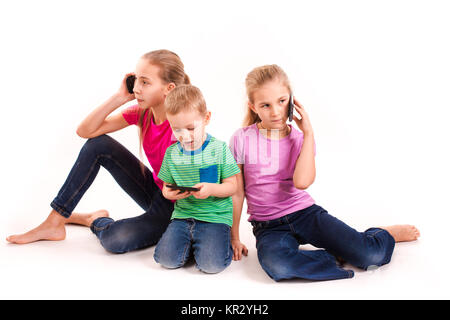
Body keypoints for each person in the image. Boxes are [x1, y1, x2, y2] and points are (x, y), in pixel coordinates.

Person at [229, 64, 421, 281]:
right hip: (269, 226)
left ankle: (378, 235)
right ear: (253, 107)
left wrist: (308, 133)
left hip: (305, 214)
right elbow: (237, 192)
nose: (275, 111)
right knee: (279, 267)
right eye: (265, 105)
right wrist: (234, 236)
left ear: (291, 99)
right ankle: (339, 253)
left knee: (370, 255)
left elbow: (302, 182)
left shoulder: (301, 139)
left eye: (282, 101)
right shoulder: (241, 138)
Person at [7, 49, 190, 254]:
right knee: (98, 145)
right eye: (136, 80)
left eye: (145, 82)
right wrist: (119, 97)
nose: (137, 89)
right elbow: (86, 131)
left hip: (180, 207)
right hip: (157, 191)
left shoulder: (185, 125)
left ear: (169, 88)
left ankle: (94, 219)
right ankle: (55, 221)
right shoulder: (143, 113)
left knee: (115, 240)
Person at [153, 85, 241, 273]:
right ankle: (196, 246)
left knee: (211, 266)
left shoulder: (219, 148)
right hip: (183, 217)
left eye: (191, 128)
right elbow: (166, 187)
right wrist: (169, 192)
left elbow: (232, 186)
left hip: (214, 217)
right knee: (165, 260)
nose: (185, 135)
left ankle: (211, 244)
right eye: (177, 130)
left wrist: (212, 189)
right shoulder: (171, 153)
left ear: (206, 118)